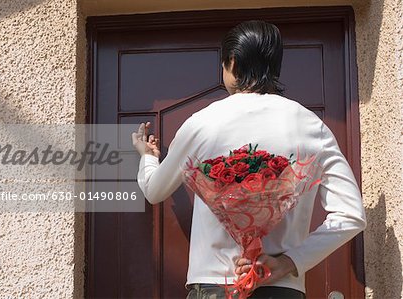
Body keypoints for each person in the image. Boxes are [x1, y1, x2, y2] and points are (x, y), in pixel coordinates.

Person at [132, 20, 366, 299]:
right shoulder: (310, 125)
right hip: (281, 288)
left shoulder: (202, 123)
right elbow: (351, 215)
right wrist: (291, 262)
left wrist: (148, 158)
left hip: (213, 286)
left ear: (231, 62)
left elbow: (155, 191)